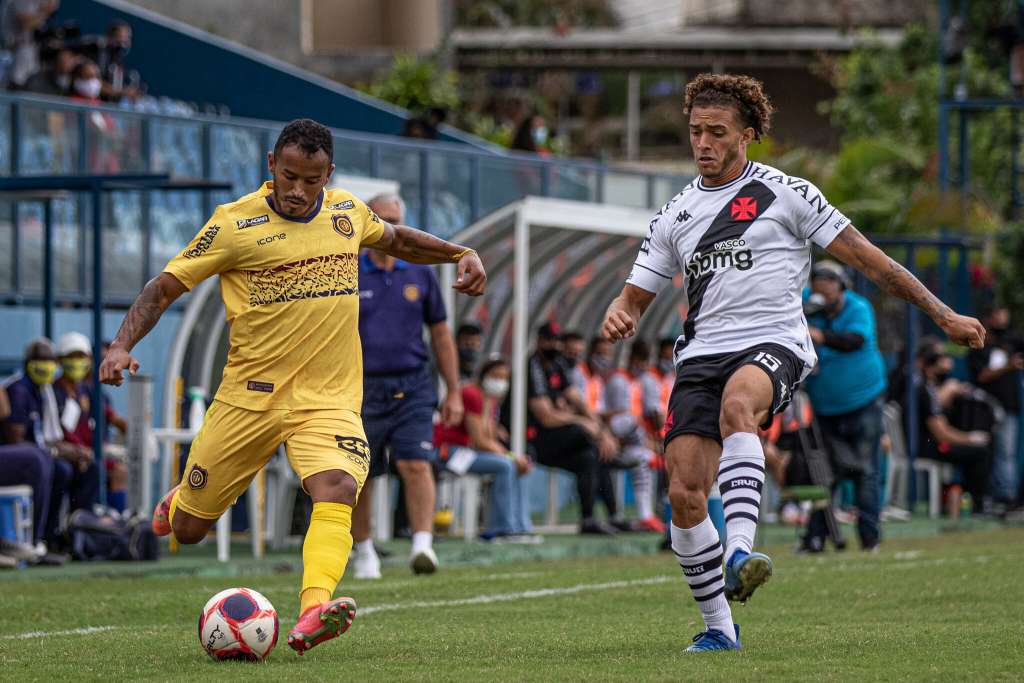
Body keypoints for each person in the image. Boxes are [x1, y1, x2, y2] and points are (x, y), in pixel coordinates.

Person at [601, 73, 984, 652]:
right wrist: (619, 311)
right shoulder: (675, 214)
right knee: (683, 493)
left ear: (747, 135)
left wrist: (944, 313)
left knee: (739, 406)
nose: (702, 142)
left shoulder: (788, 194)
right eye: (696, 131)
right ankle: (719, 628)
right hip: (701, 353)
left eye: (717, 132)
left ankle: (739, 551)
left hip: (774, 341)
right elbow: (634, 296)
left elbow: (873, 262)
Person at [98, 119, 486, 655]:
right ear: (271, 166)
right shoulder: (234, 224)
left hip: (328, 402)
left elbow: (397, 239)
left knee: (339, 487)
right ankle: (182, 499)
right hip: (249, 399)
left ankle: (313, 609)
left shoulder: (348, 213)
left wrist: (460, 252)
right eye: (289, 176)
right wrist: (120, 345)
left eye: (311, 180)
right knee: (188, 529)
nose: (298, 191)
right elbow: (164, 286)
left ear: (329, 174)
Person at [350, 192, 463, 579]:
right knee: (361, 472)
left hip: (413, 383)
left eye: (397, 220)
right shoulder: (350, 270)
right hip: (361, 386)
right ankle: (365, 551)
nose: (391, 227)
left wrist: (454, 390)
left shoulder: (420, 271)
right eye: (383, 219)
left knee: (416, 462)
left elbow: (441, 334)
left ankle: (422, 545)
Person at [803, 260, 887, 550]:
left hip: (863, 402)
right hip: (825, 406)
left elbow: (854, 340)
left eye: (829, 288)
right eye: (819, 288)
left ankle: (869, 537)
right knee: (825, 473)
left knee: (865, 471)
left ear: (841, 287)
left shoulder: (858, 307)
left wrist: (820, 336)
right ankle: (816, 537)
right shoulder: (806, 303)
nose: (823, 295)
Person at [3, 337, 98, 551]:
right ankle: (41, 537)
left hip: (39, 453)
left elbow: (50, 438)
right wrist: (56, 452)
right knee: (51, 465)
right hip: (21, 458)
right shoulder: (19, 390)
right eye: (40, 359)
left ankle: (78, 535)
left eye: (49, 360)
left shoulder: (45, 392)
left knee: (88, 466)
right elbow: (15, 439)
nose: (45, 365)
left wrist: (74, 451)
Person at [524, 323, 618, 535]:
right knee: (584, 436)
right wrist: (584, 424)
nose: (554, 346)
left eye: (557, 341)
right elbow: (546, 417)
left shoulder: (557, 365)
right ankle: (600, 514)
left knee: (591, 455)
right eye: (550, 341)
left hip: (556, 438)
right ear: (539, 341)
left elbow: (579, 401)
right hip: (534, 440)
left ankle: (598, 518)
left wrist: (603, 432)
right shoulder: (532, 367)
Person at [435, 356, 534, 541]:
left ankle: (521, 526)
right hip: (447, 451)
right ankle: (501, 529)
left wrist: (515, 458)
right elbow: (480, 440)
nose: (500, 381)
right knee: (506, 465)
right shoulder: (471, 393)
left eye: (504, 377)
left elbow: (488, 438)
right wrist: (512, 457)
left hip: (467, 452)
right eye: (495, 376)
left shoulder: (490, 400)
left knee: (520, 465)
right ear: (483, 375)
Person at [54, 331, 129, 513]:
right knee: (90, 469)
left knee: (119, 471)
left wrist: (139, 429)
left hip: (90, 452)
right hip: (68, 453)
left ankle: (112, 521)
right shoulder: (54, 392)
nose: (77, 362)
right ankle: (80, 521)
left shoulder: (88, 391)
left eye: (81, 357)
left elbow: (111, 416)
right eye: (72, 357)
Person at [915, 339, 993, 512]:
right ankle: (979, 505)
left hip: (928, 444)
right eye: (940, 360)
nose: (946, 364)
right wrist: (971, 438)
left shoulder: (927, 388)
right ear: (930, 366)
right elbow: (941, 434)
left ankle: (967, 499)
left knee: (974, 449)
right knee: (980, 451)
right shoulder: (925, 390)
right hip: (929, 447)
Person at [601, 339, 665, 532]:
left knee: (646, 457)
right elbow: (613, 416)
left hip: (630, 440)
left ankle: (646, 515)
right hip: (610, 436)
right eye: (640, 360)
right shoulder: (619, 380)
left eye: (645, 361)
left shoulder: (639, 381)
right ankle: (631, 515)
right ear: (631, 358)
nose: (643, 365)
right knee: (631, 421)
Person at [968, 304, 1023, 507]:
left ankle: (1006, 497)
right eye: (998, 316)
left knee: (1006, 452)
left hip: (1008, 406)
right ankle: (987, 497)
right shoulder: (978, 345)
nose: (1002, 320)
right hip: (983, 409)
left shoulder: (1011, 340)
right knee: (985, 453)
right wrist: (1008, 367)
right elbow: (982, 376)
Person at [1, 0, 59, 88]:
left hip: (25, 52)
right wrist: (46, 11)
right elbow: (27, 23)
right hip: (12, 53)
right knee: (11, 87)